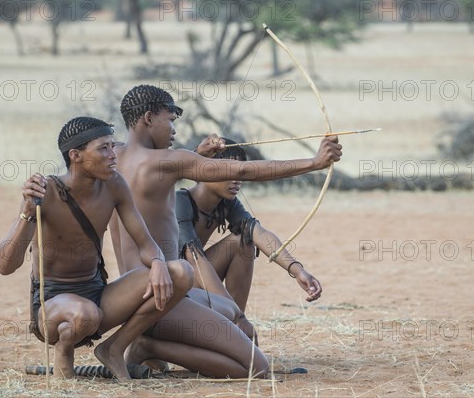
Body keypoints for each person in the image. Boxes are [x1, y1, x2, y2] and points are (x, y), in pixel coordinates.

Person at [110, 84, 342, 375]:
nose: (174, 130)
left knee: (233, 312)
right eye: (170, 120)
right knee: (256, 367)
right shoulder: (170, 165)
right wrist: (314, 162)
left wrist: (296, 269)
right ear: (148, 118)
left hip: (133, 298)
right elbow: (242, 171)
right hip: (161, 302)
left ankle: (149, 341)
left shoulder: (111, 159)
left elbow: (152, 177)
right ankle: (149, 347)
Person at [0, 116, 194, 381]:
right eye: (104, 148)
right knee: (85, 314)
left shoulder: (115, 185)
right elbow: (5, 266)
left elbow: (146, 244)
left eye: (113, 146)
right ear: (75, 155)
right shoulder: (46, 192)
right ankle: (64, 351)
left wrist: (157, 262)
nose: (114, 155)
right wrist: (27, 214)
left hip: (98, 297)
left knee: (181, 273)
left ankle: (114, 348)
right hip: (54, 309)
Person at [176, 138, 323, 343]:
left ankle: (232, 334)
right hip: (173, 291)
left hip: (197, 285)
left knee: (243, 241)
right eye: (230, 171)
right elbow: (195, 263)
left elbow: (257, 233)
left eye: (240, 172)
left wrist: (298, 270)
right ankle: (234, 326)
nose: (237, 180)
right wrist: (238, 317)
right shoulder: (180, 202)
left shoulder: (228, 203)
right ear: (205, 171)